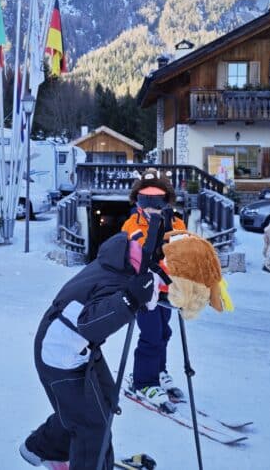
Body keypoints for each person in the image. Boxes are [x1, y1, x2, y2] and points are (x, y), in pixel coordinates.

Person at [20, 227, 162, 470]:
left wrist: (138, 294)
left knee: (102, 402)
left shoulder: (116, 262)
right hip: (59, 353)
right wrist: (129, 299)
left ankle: (42, 447)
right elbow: (91, 324)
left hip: (77, 348)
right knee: (92, 424)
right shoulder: (116, 279)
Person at [121, 169, 186, 413]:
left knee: (164, 333)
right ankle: (143, 381)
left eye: (156, 200)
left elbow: (182, 252)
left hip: (168, 290)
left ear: (166, 200)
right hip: (145, 291)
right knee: (150, 335)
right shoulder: (132, 224)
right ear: (137, 200)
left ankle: (158, 371)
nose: (150, 206)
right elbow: (136, 253)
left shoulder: (177, 222)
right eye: (144, 200)